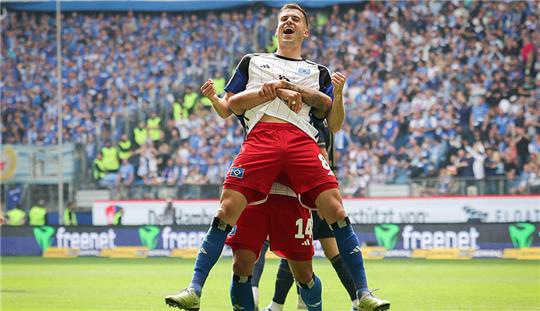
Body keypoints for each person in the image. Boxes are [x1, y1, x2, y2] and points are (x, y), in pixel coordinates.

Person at [165, 4, 389, 311]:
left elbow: (334, 123)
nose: (289, 21)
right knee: (226, 215)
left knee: (334, 212)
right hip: (262, 140)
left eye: (296, 19)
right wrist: (272, 90)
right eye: (283, 18)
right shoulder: (253, 61)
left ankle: (362, 294)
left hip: (301, 142)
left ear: (305, 31)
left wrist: (337, 95)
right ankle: (194, 289)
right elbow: (231, 106)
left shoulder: (318, 71)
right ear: (276, 29)